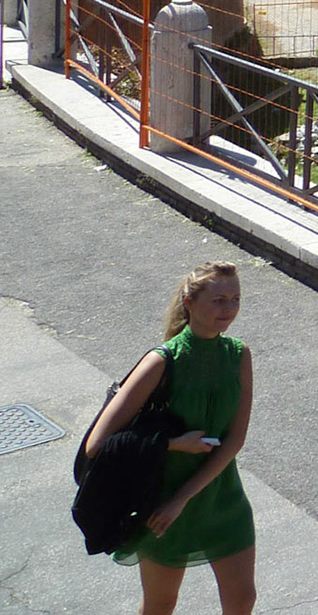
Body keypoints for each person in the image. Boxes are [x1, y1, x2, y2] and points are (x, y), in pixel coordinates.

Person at [87, 262, 256, 615]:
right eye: (218, 300)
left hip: (223, 500)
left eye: (235, 299)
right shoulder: (161, 361)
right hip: (162, 507)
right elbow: (97, 445)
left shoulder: (238, 354)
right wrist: (174, 444)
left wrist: (183, 498)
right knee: (161, 605)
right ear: (190, 302)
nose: (229, 309)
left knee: (243, 600)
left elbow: (235, 440)